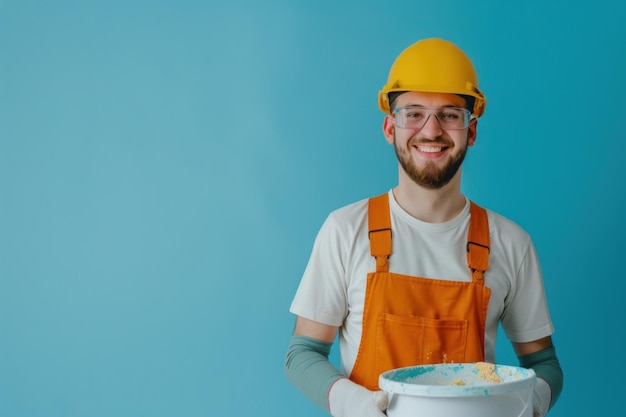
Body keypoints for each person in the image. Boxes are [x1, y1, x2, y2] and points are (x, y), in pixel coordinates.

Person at [284, 38, 563, 417]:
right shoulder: (345, 230)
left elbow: (544, 363)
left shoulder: (511, 243)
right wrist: (354, 404)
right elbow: (303, 354)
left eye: (450, 114)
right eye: (413, 113)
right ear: (389, 127)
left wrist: (528, 405)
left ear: (472, 131)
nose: (431, 130)